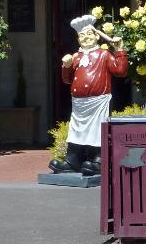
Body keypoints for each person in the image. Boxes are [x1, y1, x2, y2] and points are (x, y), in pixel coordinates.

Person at [49, 15, 128, 176]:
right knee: (77, 131)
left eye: (89, 34)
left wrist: (120, 50)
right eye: (82, 36)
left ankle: (98, 160)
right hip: (79, 104)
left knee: (97, 131)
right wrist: (66, 66)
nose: (86, 38)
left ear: (97, 36)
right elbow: (67, 79)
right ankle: (73, 160)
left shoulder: (103, 55)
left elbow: (120, 71)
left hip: (98, 102)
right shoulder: (76, 57)